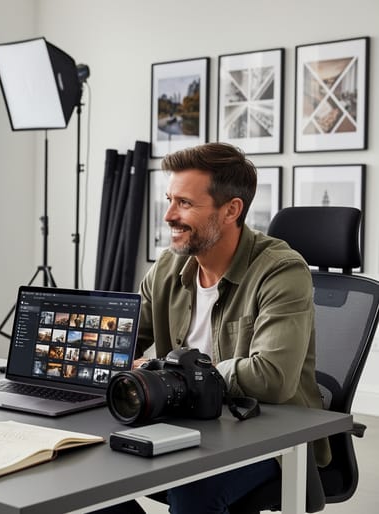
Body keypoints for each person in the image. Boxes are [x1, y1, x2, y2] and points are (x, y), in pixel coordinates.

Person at [99, 142, 327, 514]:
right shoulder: (168, 268)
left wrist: (179, 374)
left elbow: (273, 377)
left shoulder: (281, 270)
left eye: (185, 203)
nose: (169, 215)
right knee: (86, 469)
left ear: (231, 210)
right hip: (183, 423)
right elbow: (121, 343)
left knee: (194, 488)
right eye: (169, 200)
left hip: (268, 436)